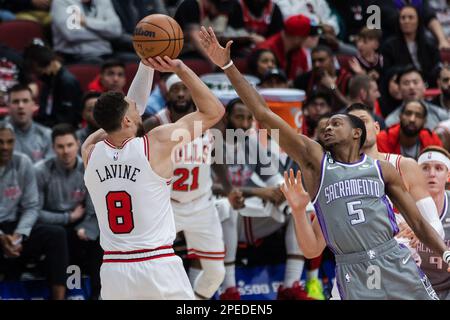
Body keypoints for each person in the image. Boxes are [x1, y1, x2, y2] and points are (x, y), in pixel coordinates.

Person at [199, 26, 450, 299]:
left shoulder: (383, 169)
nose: (328, 128)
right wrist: (227, 64)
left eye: (336, 123)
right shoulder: (317, 163)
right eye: (327, 124)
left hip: (394, 259)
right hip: (352, 269)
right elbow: (262, 113)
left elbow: (419, 223)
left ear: (357, 132)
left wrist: (445, 252)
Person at [81, 55, 224, 299]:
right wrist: (180, 68)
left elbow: (114, 122)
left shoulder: (89, 151)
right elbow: (214, 111)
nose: (138, 106)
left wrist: (145, 66)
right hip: (156, 265)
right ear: (126, 119)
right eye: (133, 107)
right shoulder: (156, 144)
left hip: (114, 270)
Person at [143, 73, 234, 300]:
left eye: (185, 89)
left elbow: (218, 159)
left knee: (215, 274)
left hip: (202, 204)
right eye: (176, 89)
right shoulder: (154, 124)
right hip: (166, 206)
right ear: (168, 93)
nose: (182, 94)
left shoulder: (211, 122)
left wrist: (230, 189)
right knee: (151, 266)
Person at [215, 98, 312, 300]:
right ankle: (229, 289)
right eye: (238, 117)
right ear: (226, 118)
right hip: (216, 217)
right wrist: (259, 192)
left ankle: (290, 286)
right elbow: (210, 187)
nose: (243, 123)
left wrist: (281, 190)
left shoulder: (251, 143)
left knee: (299, 207)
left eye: (248, 118)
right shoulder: (211, 143)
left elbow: (273, 176)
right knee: (227, 206)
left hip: (248, 216)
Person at [0, 122, 68, 300]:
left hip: (16, 227)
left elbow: (31, 206)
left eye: (10, 142)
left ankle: (59, 298)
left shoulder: (23, 162)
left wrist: (19, 235)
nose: (5, 147)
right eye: (1, 142)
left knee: (56, 235)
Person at [35, 123, 102, 299]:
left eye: (69, 145)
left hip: (79, 226)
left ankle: (99, 293)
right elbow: (36, 212)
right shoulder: (40, 171)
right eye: (60, 146)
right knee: (56, 235)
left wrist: (86, 227)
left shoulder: (89, 169)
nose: (66, 151)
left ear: (78, 144)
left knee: (100, 235)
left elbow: (93, 209)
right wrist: (67, 217)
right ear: (52, 148)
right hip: (52, 226)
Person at [416, 146, 450, 300]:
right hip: (414, 288)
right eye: (425, 168)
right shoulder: (402, 205)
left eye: (439, 168)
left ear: (448, 175)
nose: (432, 174)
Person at [23, 43, 83, 128]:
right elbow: (44, 113)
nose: (39, 76)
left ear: (49, 64)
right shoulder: (49, 81)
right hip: (48, 126)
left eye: (39, 72)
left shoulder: (67, 82)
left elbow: (67, 119)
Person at [382, 5, 441, 87]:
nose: (406, 21)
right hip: (403, 87)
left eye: (410, 17)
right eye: (403, 18)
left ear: (418, 21)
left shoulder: (430, 44)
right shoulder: (389, 46)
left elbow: (436, 68)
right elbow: (388, 72)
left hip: (429, 85)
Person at [50, 0, 122, 64]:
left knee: (130, 59)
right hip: (74, 56)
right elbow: (71, 34)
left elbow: (117, 30)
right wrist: (106, 34)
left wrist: (86, 22)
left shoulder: (103, 1)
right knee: (98, 64)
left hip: (106, 54)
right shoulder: (60, 2)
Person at [256, 14, 320, 80]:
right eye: (306, 36)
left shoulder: (300, 53)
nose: (314, 39)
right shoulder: (265, 50)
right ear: (297, 38)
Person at [384, 65, 449, 130]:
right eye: (406, 83)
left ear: (424, 86)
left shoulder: (441, 115)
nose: (411, 87)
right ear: (399, 88)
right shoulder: (391, 121)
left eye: (415, 82)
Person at [377, 100, 443, 160]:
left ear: (424, 121)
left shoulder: (432, 140)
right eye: (408, 113)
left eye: (418, 115)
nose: (412, 119)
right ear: (400, 116)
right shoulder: (383, 139)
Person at [293, 45, 352, 111]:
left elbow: (351, 106)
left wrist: (333, 88)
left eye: (321, 60)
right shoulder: (304, 79)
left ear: (332, 59)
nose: (316, 65)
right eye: (314, 61)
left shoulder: (347, 78)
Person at [5, 84, 53, 162]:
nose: (20, 106)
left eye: (25, 101)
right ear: (8, 106)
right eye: (15, 101)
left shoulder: (46, 135)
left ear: (33, 105)